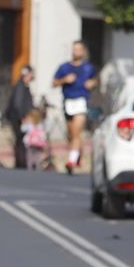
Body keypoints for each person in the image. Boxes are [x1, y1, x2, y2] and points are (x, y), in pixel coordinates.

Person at [53, 40, 97, 174]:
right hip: (68, 101)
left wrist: (92, 83)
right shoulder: (64, 67)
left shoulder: (88, 67)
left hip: (81, 101)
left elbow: (95, 80)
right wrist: (64, 80)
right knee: (71, 134)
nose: (76, 52)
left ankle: (71, 161)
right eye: (74, 49)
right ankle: (78, 154)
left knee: (77, 132)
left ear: (82, 52)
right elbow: (54, 82)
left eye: (78, 49)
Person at [4, 65, 35, 170]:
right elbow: (18, 103)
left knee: (20, 141)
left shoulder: (24, 86)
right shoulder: (20, 86)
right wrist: (22, 117)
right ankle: (21, 163)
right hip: (19, 119)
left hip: (20, 117)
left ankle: (21, 162)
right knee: (21, 141)